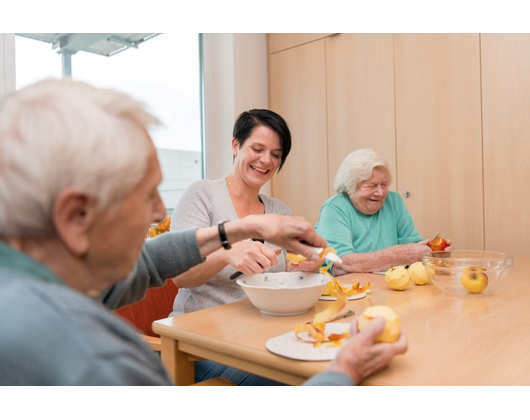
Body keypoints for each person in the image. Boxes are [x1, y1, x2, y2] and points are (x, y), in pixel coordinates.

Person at [0, 79, 406, 386]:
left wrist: (240, 228)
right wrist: (343, 373)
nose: (159, 212)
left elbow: (147, 263)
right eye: (145, 195)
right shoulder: (99, 367)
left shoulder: (35, 281)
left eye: (275, 155)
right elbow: (172, 272)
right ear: (75, 217)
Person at [169, 109, 324, 317]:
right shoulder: (203, 195)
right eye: (257, 149)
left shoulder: (279, 211)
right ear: (236, 146)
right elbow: (181, 276)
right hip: (202, 328)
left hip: (261, 324)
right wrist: (226, 254)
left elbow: (278, 276)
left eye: (276, 155)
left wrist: (306, 267)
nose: (266, 160)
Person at [315, 148, 451, 275]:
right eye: (372, 185)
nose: (380, 193)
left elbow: (413, 247)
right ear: (350, 186)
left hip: (388, 287)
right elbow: (341, 264)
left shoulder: (394, 201)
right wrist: (397, 256)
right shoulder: (334, 208)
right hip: (345, 292)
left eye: (384, 185)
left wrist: (432, 254)